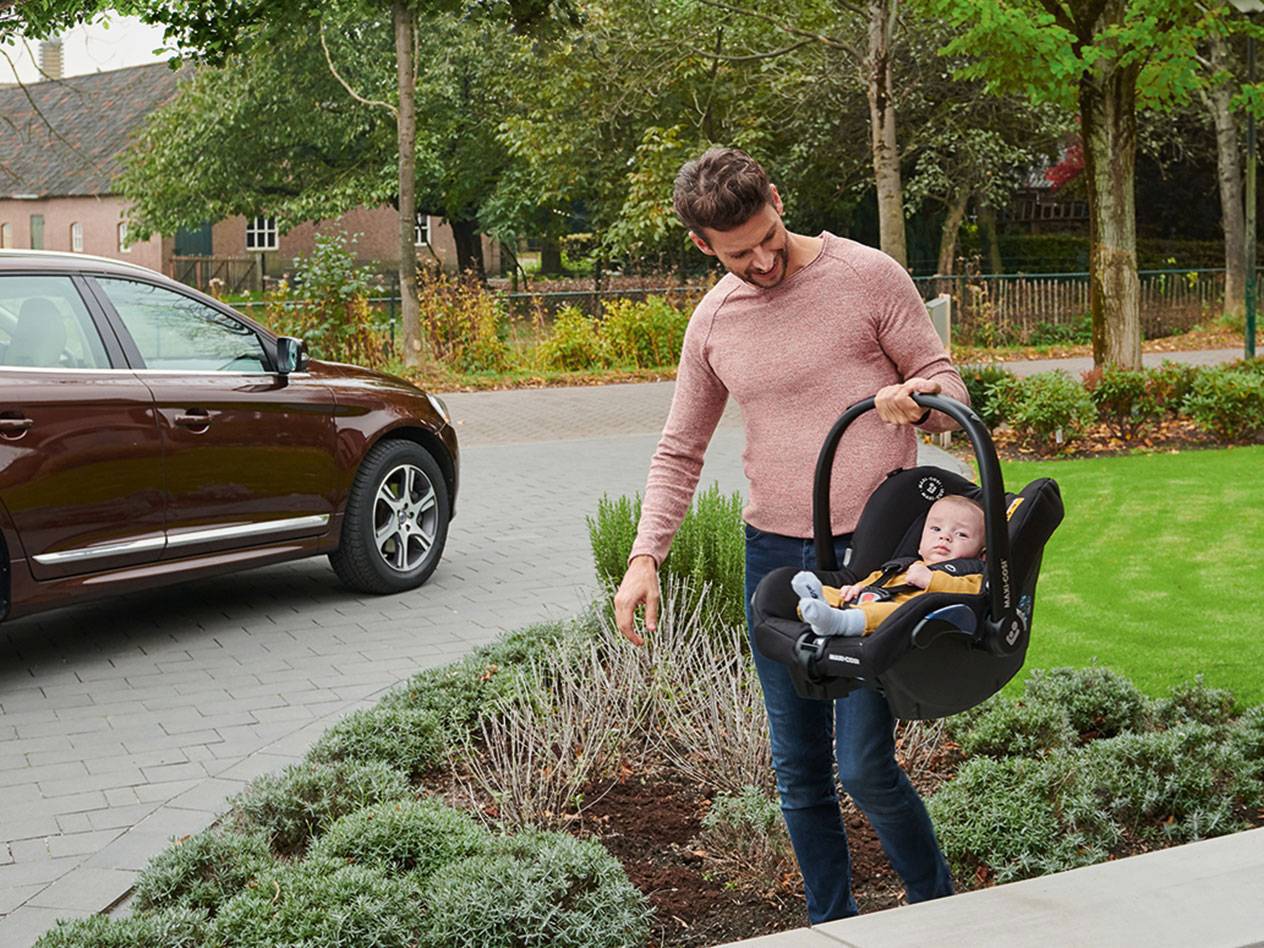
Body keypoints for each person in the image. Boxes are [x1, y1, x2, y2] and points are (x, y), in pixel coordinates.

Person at [612, 146, 970, 923]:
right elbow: (680, 448)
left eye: (769, 235)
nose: (765, 259)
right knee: (799, 770)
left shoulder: (868, 276)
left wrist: (923, 401)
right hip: (776, 560)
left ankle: (939, 912)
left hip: (880, 558)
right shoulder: (713, 322)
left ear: (776, 198)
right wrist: (646, 556)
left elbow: (948, 384)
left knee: (866, 764)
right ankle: (829, 924)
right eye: (740, 253)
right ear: (703, 246)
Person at [793, 494, 985, 638]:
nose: (944, 537)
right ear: (920, 544)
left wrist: (930, 579)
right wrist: (856, 588)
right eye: (935, 529)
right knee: (831, 592)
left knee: (893, 613)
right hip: (870, 599)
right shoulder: (905, 565)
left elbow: (972, 592)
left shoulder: (971, 573)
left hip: (908, 617)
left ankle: (838, 622)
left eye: (961, 534)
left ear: (981, 554)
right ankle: (819, 605)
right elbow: (877, 579)